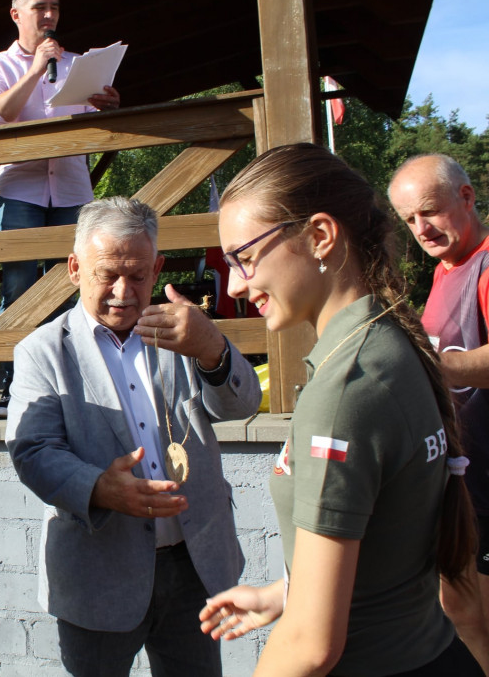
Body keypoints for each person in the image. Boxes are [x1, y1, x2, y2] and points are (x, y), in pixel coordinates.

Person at [200, 143, 481, 676]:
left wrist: (300, 616)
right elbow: (386, 545)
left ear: (320, 236)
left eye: (244, 256)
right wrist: (286, 592)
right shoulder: (388, 340)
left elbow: (310, 646)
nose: (234, 283)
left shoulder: (348, 385)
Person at [5, 196, 261, 676]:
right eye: (107, 274)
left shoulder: (182, 331)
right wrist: (99, 488)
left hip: (195, 565)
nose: (123, 292)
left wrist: (213, 347)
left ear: (157, 267)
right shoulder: (41, 351)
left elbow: (241, 406)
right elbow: (33, 451)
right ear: (75, 269)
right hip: (97, 572)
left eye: (139, 276)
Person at [0, 0, 121, 418]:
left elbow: (98, 128)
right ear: (16, 14)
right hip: (21, 190)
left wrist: (108, 107)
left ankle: (70, 389)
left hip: (74, 192)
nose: (49, 15)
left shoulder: (77, 65)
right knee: (19, 289)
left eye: (54, 7)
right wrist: (37, 69)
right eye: (39, 6)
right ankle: (14, 389)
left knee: (74, 288)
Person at [388, 153, 489, 672]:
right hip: (465, 478)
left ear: (466, 197)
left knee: (473, 615)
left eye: (429, 211)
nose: (421, 228)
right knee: (462, 611)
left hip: (487, 483)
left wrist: (432, 367)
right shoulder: (448, 269)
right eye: (409, 219)